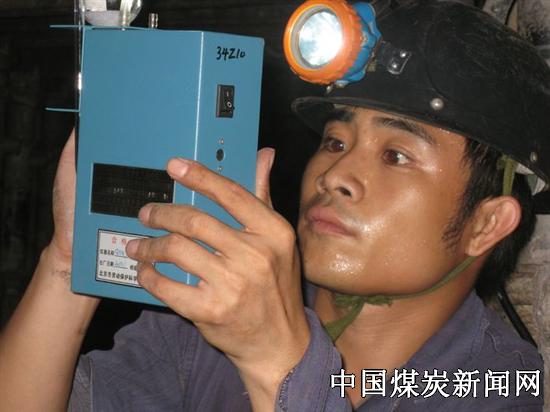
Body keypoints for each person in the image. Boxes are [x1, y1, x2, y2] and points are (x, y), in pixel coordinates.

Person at [0, 0, 547, 410]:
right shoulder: (203, 333)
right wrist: (71, 258)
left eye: (396, 155)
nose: (334, 175)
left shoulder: (499, 384)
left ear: (486, 224)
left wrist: (274, 360)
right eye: (335, 141)